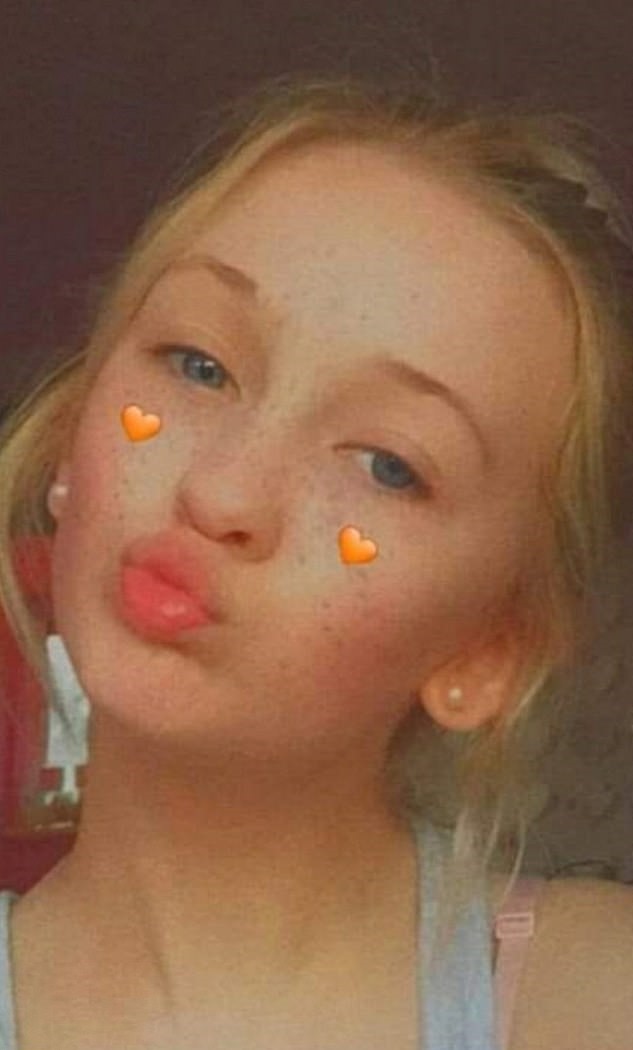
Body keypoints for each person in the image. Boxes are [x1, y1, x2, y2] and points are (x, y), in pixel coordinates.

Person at [1, 73, 633, 1050]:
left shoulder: (594, 1001)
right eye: (199, 365)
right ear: (66, 448)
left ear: (485, 653)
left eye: (387, 465)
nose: (222, 492)